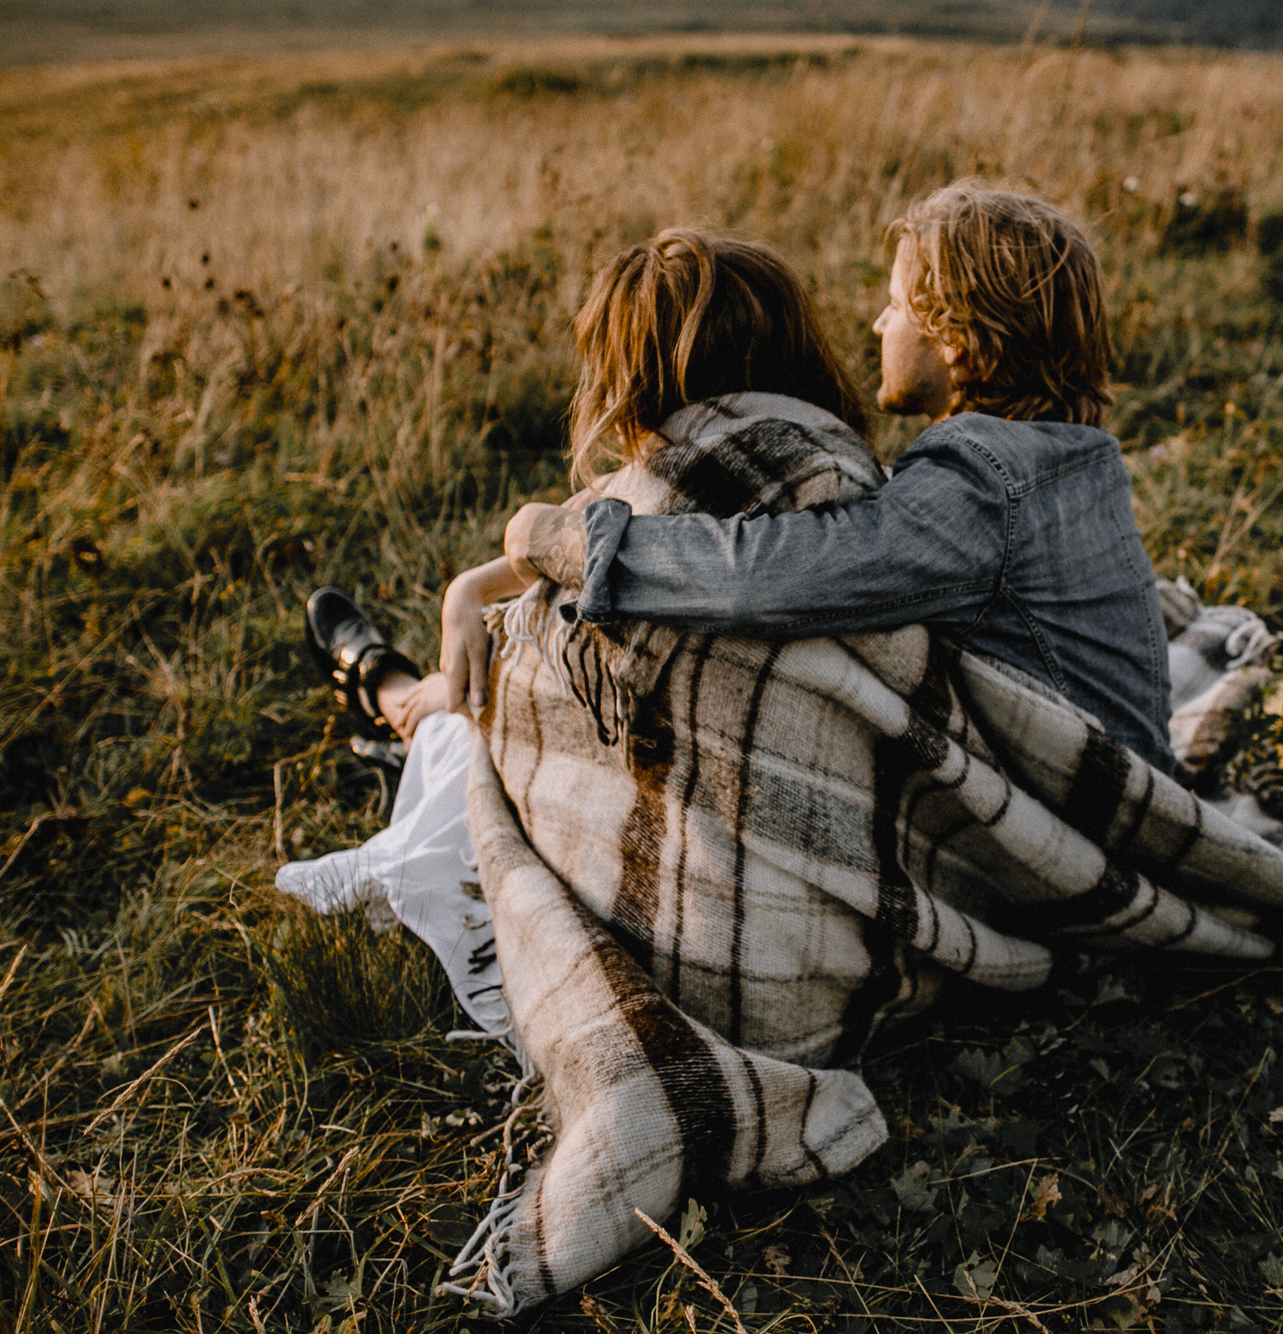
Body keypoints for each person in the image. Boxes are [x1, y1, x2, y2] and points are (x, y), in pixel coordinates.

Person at [280, 229, 872, 1027]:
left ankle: (387, 686)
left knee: (475, 708)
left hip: (694, 886)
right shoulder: (849, 491)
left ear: (630, 384)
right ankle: (393, 686)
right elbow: (573, 536)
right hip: (820, 891)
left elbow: (553, 590)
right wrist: (469, 588)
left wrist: (477, 606)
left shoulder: (647, 524)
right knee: (489, 673)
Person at [502, 181, 1177, 772]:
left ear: (955, 339)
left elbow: (769, 577)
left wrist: (568, 542)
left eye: (896, 304)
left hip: (1089, 825)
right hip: (1112, 773)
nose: (879, 323)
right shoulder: (1068, 458)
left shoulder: (982, 482)